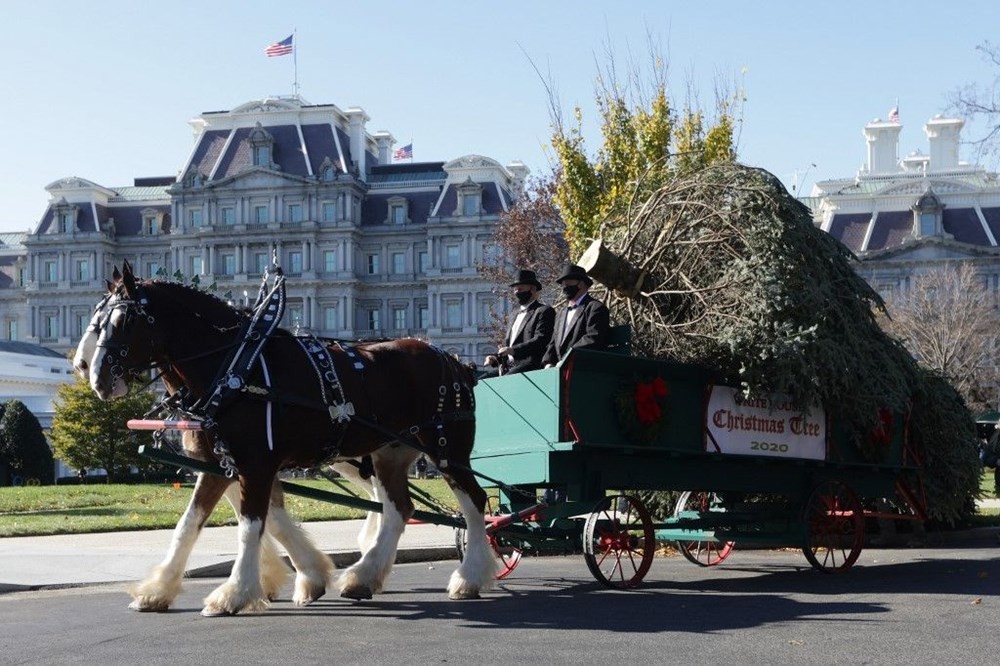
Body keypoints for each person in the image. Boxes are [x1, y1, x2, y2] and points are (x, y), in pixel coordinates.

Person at [483, 269, 555, 375]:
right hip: (508, 366)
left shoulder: (544, 311)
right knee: (481, 381)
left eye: (520, 288)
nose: (517, 292)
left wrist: (513, 350)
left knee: (506, 381)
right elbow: (509, 345)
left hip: (530, 365)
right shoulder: (514, 314)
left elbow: (541, 340)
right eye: (515, 289)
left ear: (533, 289)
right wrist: (495, 357)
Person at [542, 263, 610, 368]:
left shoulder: (595, 308)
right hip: (560, 369)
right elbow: (554, 341)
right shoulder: (561, 313)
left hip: (583, 367)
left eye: (568, 283)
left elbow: (593, 338)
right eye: (562, 284)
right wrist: (548, 362)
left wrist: (567, 359)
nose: (564, 287)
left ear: (581, 284)